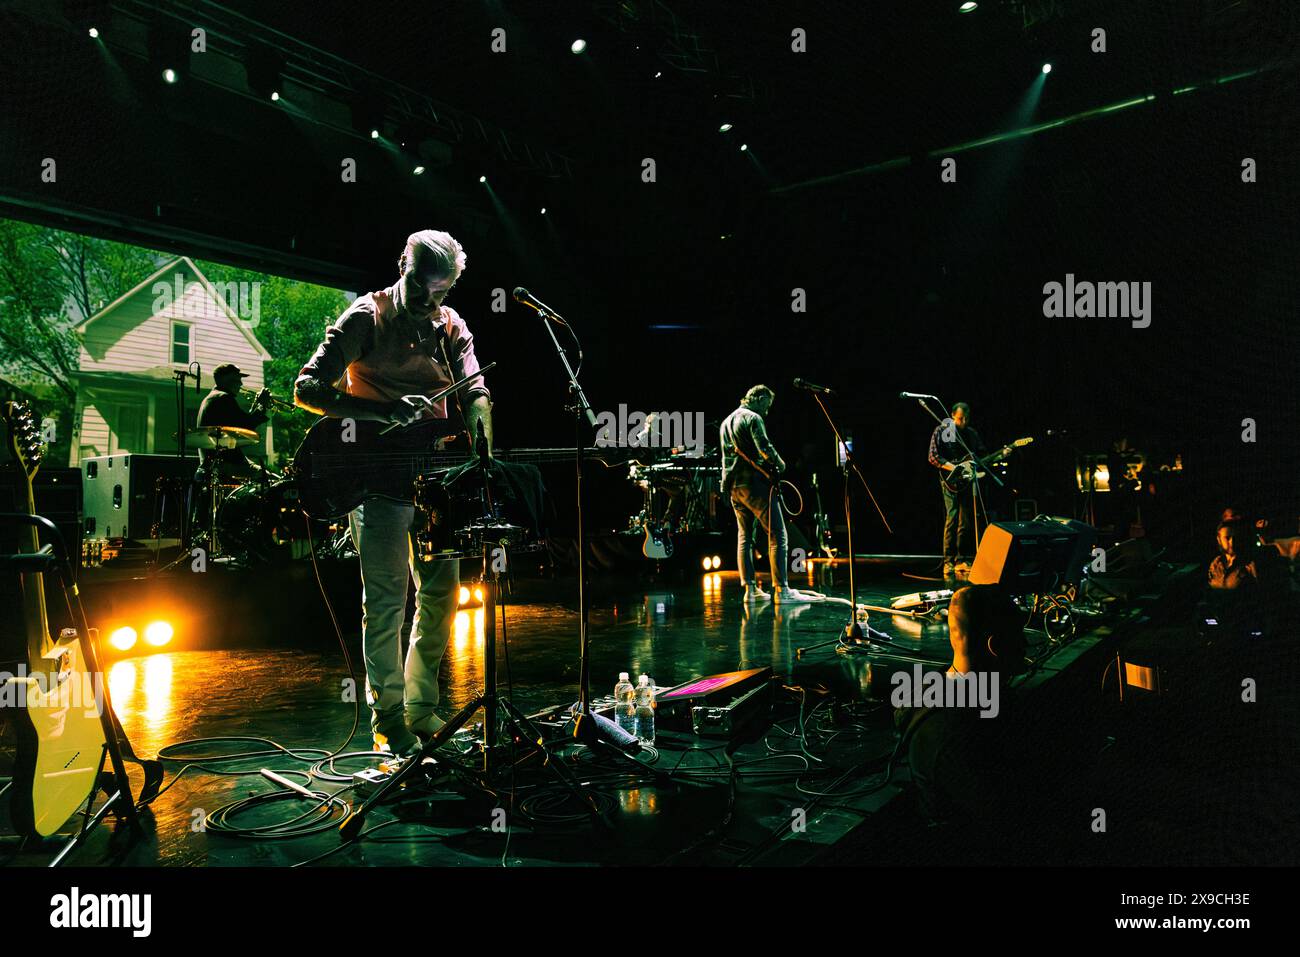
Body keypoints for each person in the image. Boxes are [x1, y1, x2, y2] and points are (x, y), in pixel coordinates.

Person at [294, 229, 492, 757]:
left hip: (434, 482)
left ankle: (422, 709)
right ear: (401, 263)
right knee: (385, 603)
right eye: (421, 287)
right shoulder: (365, 317)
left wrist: (481, 438)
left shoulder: (451, 325)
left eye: (442, 292)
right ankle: (388, 720)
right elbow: (307, 388)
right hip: (374, 476)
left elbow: (475, 391)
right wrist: (381, 411)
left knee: (441, 596)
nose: (430, 302)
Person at [894, 584, 1029, 826]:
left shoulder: (929, 696)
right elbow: (1007, 816)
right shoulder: (961, 732)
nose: (1026, 643)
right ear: (995, 646)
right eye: (1019, 634)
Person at [720, 385, 818, 604]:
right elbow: (764, 447)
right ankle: (782, 590)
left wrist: (724, 488)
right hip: (755, 485)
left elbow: (725, 461)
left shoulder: (726, 422)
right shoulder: (753, 418)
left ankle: (750, 591)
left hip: (735, 487)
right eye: (767, 405)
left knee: (744, 537)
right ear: (760, 397)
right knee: (778, 535)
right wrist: (780, 464)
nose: (767, 411)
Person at [927, 401, 987, 579]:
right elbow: (933, 456)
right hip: (950, 481)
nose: (964, 422)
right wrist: (953, 468)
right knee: (952, 518)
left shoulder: (971, 434)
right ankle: (948, 561)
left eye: (967, 418)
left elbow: (982, 454)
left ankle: (962, 559)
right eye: (960, 418)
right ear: (952, 415)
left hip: (967, 482)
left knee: (966, 522)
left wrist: (1002, 453)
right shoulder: (944, 430)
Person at [195, 363, 269, 477]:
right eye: (237, 379)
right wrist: (261, 406)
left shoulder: (212, 397)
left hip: (216, 463)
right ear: (225, 379)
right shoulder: (224, 398)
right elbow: (246, 427)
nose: (241, 383)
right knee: (268, 479)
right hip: (227, 464)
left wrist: (256, 405)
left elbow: (241, 421)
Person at [1208, 522, 1258, 590]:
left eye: (1235, 537)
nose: (1232, 542)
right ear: (1219, 540)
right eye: (1227, 538)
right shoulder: (1216, 564)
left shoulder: (1249, 564)